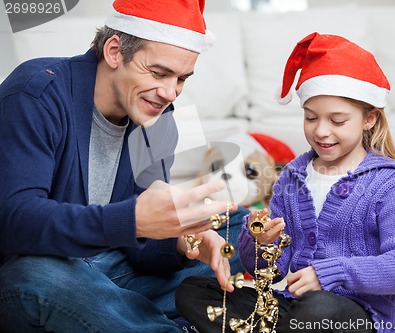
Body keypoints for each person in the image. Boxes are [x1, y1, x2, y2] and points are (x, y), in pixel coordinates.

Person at [0, 0, 248, 332]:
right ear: (114, 51)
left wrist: (183, 242)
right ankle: (166, 318)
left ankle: (122, 314)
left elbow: (143, 248)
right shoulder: (37, 94)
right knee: (39, 277)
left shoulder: (160, 120)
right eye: (159, 73)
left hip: (112, 269)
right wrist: (130, 221)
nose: (170, 92)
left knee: (239, 226)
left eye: (181, 79)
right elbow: (16, 222)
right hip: (39, 270)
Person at [176, 32, 395, 333]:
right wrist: (260, 242)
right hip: (292, 307)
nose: (321, 131)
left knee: (318, 309)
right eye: (310, 118)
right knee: (193, 291)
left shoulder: (387, 183)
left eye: (337, 121)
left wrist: (328, 273)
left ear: (369, 119)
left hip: (357, 315)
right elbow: (269, 270)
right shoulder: (292, 178)